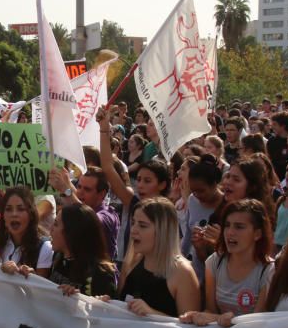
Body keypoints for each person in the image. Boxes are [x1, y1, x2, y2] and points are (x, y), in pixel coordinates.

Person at [182, 199, 275, 326]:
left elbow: (258, 323)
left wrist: (229, 321)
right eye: (227, 225)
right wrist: (198, 316)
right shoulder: (214, 262)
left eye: (239, 227)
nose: (230, 232)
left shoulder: (269, 271)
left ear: (257, 234)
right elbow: (210, 310)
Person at [98, 106, 170, 262]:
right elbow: (108, 168)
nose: (141, 185)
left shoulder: (169, 215)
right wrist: (104, 129)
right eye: (139, 180)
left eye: (148, 181)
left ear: (163, 184)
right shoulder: (134, 204)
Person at [117, 197, 200, 318]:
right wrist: (107, 304)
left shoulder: (183, 273)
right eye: (133, 223)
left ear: (164, 231)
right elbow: (120, 305)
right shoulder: (133, 261)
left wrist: (152, 314)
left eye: (143, 226)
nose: (133, 230)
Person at [47, 203, 118, 298]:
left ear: (71, 233)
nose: (50, 229)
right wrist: (30, 278)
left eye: (56, 224)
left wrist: (79, 299)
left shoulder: (100, 274)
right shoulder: (58, 257)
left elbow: (105, 310)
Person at [49, 166, 120, 259]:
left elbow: (86, 218)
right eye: (79, 187)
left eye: (87, 189)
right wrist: (66, 184)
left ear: (102, 194)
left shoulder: (107, 216)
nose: (79, 193)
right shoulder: (82, 201)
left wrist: (65, 190)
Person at [0, 186, 53, 279]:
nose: (14, 214)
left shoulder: (45, 247)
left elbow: (42, 290)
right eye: (8, 209)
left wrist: (30, 275)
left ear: (31, 214)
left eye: (21, 209)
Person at [178, 156, 224, 283]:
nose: (197, 195)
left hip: (214, 275)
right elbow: (187, 234)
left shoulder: (227, 206)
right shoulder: (192, 200)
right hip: (192, 271)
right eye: (194, 191)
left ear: (214, 184)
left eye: (201, 191)